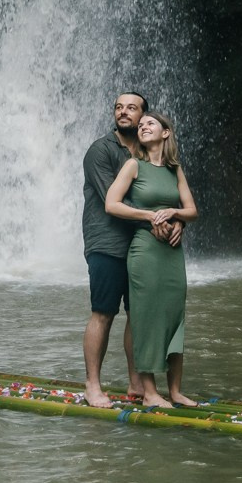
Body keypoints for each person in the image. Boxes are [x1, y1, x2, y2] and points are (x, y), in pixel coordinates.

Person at [80, 91, 181, 408]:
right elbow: (117, 202)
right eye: (118, 107)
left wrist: (177, 220)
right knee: (103, 313)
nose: (123, 112)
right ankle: (92, 386)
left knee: (138, 315)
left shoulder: (151, 156)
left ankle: (137, 383)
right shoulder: (100, 151)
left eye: (132, 108)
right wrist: (157, 219)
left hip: (141, 246)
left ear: (145, 117)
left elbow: (165, 199)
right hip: (107, 243)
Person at [104, 109, 198, 407]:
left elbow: (192, 210)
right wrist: (149, 216)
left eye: (150, 124)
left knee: (174, 316)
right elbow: (111, 204)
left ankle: (175, 390)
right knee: (145, 318)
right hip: (145, 250)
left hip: (172, 253)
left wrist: (176, 215)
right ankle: (149, 393)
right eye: (140, 125)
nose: (143, 126)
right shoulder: (133, 166)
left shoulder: (175, 169)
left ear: (165, 132)